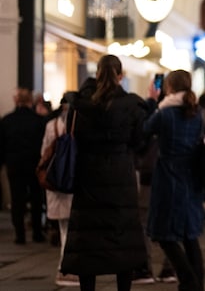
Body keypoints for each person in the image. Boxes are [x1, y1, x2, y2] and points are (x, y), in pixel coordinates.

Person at [60, 55, 148, 291]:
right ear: (121, 76)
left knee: (88, 241)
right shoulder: (132, 106)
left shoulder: (80, 105)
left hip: (88, 176)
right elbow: (140, 143)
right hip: (121, 176)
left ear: (96, 74)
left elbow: (71, 134)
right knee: (122, 238)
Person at [143, 70, 205, 290]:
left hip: (168, 177)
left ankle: (187, 279)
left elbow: (144, 131)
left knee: (163, 233)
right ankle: (197, 284)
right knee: (190, 236)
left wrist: (152, 100)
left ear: (168, 87)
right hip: (192, 178)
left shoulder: (165, 113)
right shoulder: (197, 112)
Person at [40, 92, 78, 286]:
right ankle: (67, 268)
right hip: (72, 181)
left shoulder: (51, 125)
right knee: (72, 228)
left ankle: (64, 267)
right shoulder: (77, 125)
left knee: (64, 227)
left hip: (55, 182)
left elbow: (44, 153)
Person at [0, 87, 46, 245]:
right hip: (34, 164)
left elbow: (1, 145)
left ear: (16, 100)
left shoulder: (6, 121)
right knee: (36, 198)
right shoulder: (38, 121)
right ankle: (37, 232)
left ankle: (20, 234)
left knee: (17, 199)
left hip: (14, 165)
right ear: (30, 101)